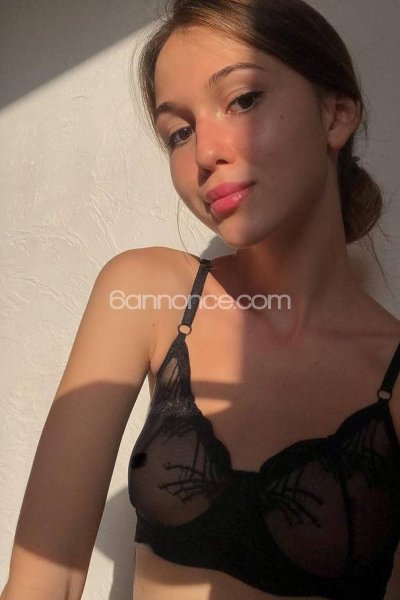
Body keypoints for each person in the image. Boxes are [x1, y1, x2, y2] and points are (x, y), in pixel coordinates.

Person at [1, 0, 400, 599]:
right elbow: (44, 579)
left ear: (335, 115)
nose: (205, 153)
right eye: (179, 133)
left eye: (243, 99)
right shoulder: (147, 294)